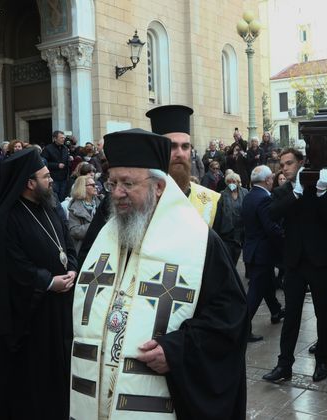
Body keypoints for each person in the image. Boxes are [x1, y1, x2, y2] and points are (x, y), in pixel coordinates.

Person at [70, 128, 247, 420]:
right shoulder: (105, 234)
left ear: (159, 187)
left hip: (162, 400)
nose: (116, 193)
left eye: (128, 183)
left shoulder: (199, 242)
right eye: (112, 182)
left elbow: (231, 317)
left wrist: (177, 350)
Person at [0, 148, 78, 420]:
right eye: (45, 176)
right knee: (31, 389)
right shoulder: (5, 220)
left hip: (59, 311)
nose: (51, 180)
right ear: (29, 182)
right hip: (28, 320)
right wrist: (48, 282)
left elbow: (67, 244)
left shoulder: (50, 207)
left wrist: (71, 269)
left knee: (58, 379)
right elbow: (12, 267)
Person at [262, 148, 327, 383]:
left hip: (320, 262)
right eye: (282, 164)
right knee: (291, 315)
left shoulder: (320, 187)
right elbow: (271, 214)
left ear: (301, 162)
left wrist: (324, 192)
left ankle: (323, 359)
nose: (284, 168)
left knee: (323, 313)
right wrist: (294, 195)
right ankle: (284, 365)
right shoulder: (284, 190)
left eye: (289, 163)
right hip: (293, 262)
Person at [146, 105, 222, 229]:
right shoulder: (139, 198)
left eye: (185, 146)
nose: (180, 154)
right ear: (156, 150)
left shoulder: (213, 202)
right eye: (172, 146)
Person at [242, 165, 285, 343]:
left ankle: (276, 311)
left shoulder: (249, 196)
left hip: (252, 251)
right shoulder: (263, 199)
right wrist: (286, 235)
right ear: (268, 180)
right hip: (262, 253)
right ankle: (242, 328)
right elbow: (270, 227)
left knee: (267, 284)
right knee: (255, 293)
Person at [219, 172, 248, 266]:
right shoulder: (222, 194)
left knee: (238, 252)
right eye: (229, 181)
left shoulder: (244, 192)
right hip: (228, 229)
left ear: (238, 182)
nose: (231, 183)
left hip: (241, 228)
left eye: (234, 181)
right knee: (229, 254)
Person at [67, 175, 100, 253]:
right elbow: (74, 231)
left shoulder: (101, 202)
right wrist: (95, 225)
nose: (96, 187)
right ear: (83, 187)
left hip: (101, 245)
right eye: (92, 185)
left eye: (95, 184)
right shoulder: (75, 208)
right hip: (85, 248)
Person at [41, 130, 71, 201]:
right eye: (61, 138)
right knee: (54, 198)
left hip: (64, 178)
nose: (63, 139)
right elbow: (44, 163)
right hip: (53, 178)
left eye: (64, 138)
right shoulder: (48, 149)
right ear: (55, 138)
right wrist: (57, 165)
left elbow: (66, 161)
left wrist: (69, 160)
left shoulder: (65, 148)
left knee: (62, 197)